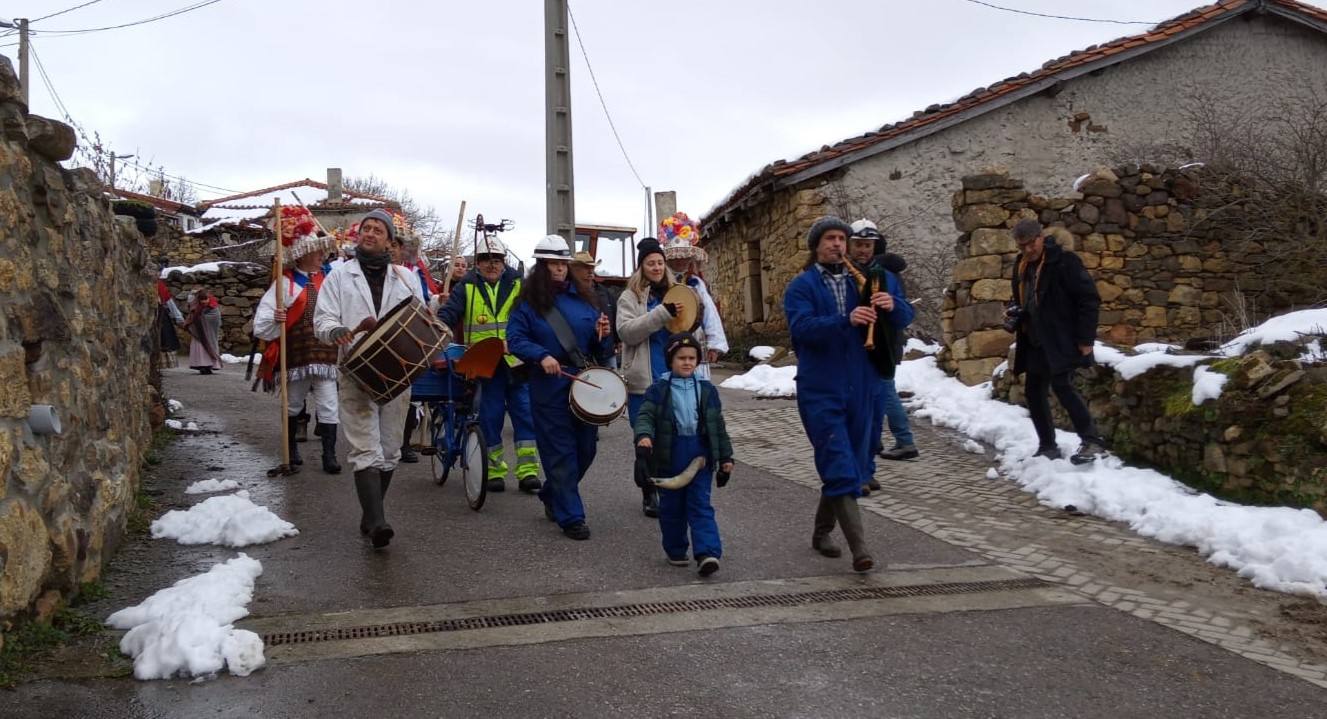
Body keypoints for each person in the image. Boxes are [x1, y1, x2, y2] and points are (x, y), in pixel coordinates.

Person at [314, 208, 430, 549]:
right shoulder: (338, 275)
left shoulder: (406, 279)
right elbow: (323, 319)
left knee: (390, 448)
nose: (370, 233)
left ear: (390, 241)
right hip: (356, 368)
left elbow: (419, 317)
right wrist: (337, 330)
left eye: (378, 230)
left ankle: (370, 513)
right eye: (366, 227)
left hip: (397, 371)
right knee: (365, 446)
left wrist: (434, 311)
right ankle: (378, 522)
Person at [785, 216, 892, 573]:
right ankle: (860, 549)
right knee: (838, 460)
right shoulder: (801, 286)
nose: (838, 245)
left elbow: (904, 315)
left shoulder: (865, 281)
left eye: (842, 239)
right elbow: (801, 329)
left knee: (854, 464)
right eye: (830, 239)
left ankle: (821, 531)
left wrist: (892, 306)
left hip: (860, 384)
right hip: (820, 387)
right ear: (817, 245)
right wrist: (845, 320)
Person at [505, 235, 614, 541]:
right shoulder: (527, 304)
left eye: (563, 264)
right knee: (561, 452)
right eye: (553, 263)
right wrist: (541, 355)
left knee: (586, 449)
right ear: (541, 266)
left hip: (583, 382)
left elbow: (600, 347)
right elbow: (515, 339)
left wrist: (602, 334)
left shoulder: (583, 298)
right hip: (549, 386)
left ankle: (552, 494)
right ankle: (572, 516)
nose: (560, 269)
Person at [437, 235, 542, 493]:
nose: (492, 265)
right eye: (486, 260)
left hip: (516, 361)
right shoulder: (467, 286)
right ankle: (494, 470)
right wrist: (438, 325)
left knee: (525, 414)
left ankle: (528, 471)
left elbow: (537, 313)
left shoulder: (519, 283)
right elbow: (450, 313)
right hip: (484, 363)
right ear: (478, 263)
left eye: (497, 260)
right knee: (490, 416)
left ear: (504, 262)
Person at [633, 333, 734, 577]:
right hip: (670, 453)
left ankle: (707, 552)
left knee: (700, 505)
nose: (687, 362)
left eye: (692, 358)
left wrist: (726, 458)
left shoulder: (707, 390)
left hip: (700, 454)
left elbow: (717, 426)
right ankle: (676, 549)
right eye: (681, 358)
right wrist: (644, 438)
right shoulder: (658, 390)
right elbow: (645, 416)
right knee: (673, 507)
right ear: (670, 360)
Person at [1006, 219, 1106, 465]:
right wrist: (1014, 311)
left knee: (1063, 387)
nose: (1028, 250)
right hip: (1033, 338)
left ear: (1041, 237)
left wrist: (1085, 339)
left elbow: (1089, 300)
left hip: (1061, 337)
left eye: (1031, 244)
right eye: (1022, 246)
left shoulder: (1064, 262)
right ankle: (1047, 445)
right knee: (1033, 391)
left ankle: (1092, 441)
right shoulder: (1021, 265)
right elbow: (1023, 298)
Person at [253, 206, 342, 474]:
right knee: (293, 404)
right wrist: (277, 317)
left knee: (329, 405)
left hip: (325, 354)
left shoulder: (330, 280)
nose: (321, 255)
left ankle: (329, 454)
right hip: (297, 354)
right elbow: (262, 323)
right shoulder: (284, 283)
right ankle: (290, 449)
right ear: (302, 255)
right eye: (316, 251)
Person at [848, 221, 918, 498]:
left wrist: (894, 304)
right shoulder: (842, 274)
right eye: (859, 245)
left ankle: (868, 470)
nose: (863, 250)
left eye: (868, 245)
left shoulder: (886, 276)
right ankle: (861, 471)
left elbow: (906, 315)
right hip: (851, 354)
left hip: (880, 351)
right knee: (858, 417)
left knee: (874, 416)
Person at [616, 237, 679, 519]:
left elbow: (687, 330)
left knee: (671, 438)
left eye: (660, 263)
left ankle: (665, 487)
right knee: (645, 439)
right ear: (642, 266)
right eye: (651, 263)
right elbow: (627, 332)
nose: (656, 267)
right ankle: (648, 492)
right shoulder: (630, 297)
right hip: (643, 381)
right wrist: (660, 315)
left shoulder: (677, 293)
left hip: (673, 379)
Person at [659, 212, 728, 381]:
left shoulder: (695, 283)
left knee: (697, 384)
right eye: (678, 256)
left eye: (685, 256)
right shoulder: (660, 283)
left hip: (694, 337)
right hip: (666, 336)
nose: (682, 260)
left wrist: (714, 344)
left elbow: (709, 313)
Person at [570, 251, 619, 368]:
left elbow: (615, 315)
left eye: (592, 268)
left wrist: (617, 340)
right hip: (579, 356)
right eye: (585, 268)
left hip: (606, 353)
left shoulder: (604, 292)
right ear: (573, 270)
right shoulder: (568, 295)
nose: (590, 272)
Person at [186, 288, 223, 374]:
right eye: (202, 300)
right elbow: (190, 301)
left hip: (209, 331)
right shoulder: (196, 305)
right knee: (199, 345)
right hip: (198, 331)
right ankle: (201, 365)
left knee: (210, 343)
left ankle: (210, 365)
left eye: (206, 299)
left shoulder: (213, 306)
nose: (204, 302)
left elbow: (215, 317)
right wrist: (193, 292)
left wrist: (202, 319)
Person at [157, 278, 183, 368]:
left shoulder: (160, 285)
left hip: (161, 315)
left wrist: (178, 316)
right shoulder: (157, 284)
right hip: (157, 315)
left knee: (165, 339)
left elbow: (168, 301)